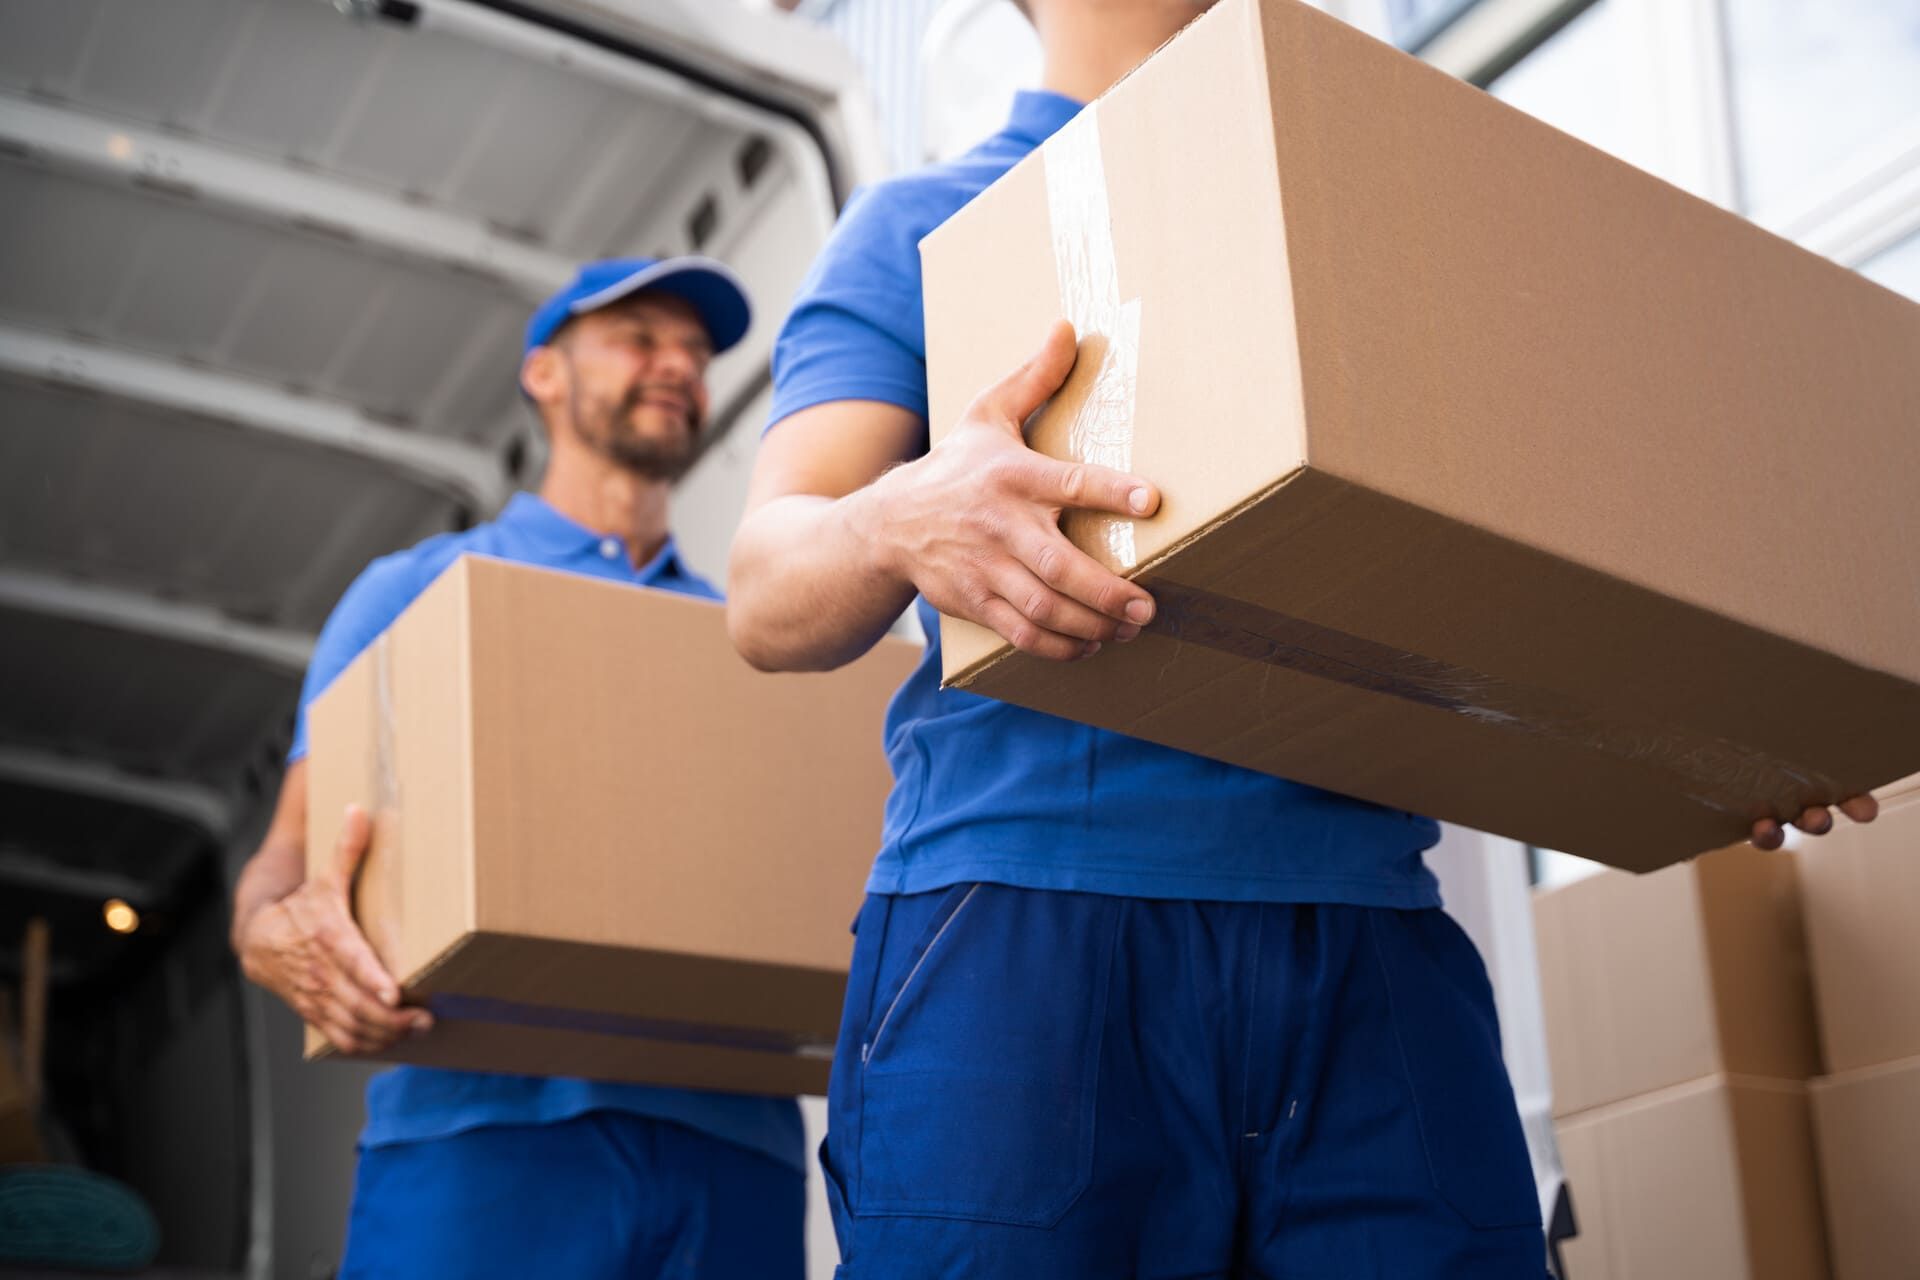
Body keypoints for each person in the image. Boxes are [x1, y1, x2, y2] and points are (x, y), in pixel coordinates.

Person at [725, 2, 1880, 1276]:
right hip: (1026, 931)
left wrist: (1723, 727)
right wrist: (898, 517)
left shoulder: (1350, 199)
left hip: (1369, 932)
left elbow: (1530, 546)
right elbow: (766, 589)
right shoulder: (928, 228)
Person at [232, 257, 806, 1279]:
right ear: (544, 373)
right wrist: (266, 933)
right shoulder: (416, 591)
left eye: (694, 351)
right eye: (639, 338)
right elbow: (287, 852)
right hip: (480, 1136)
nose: (678, 365)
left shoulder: (749, 632)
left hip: (733, 1148)